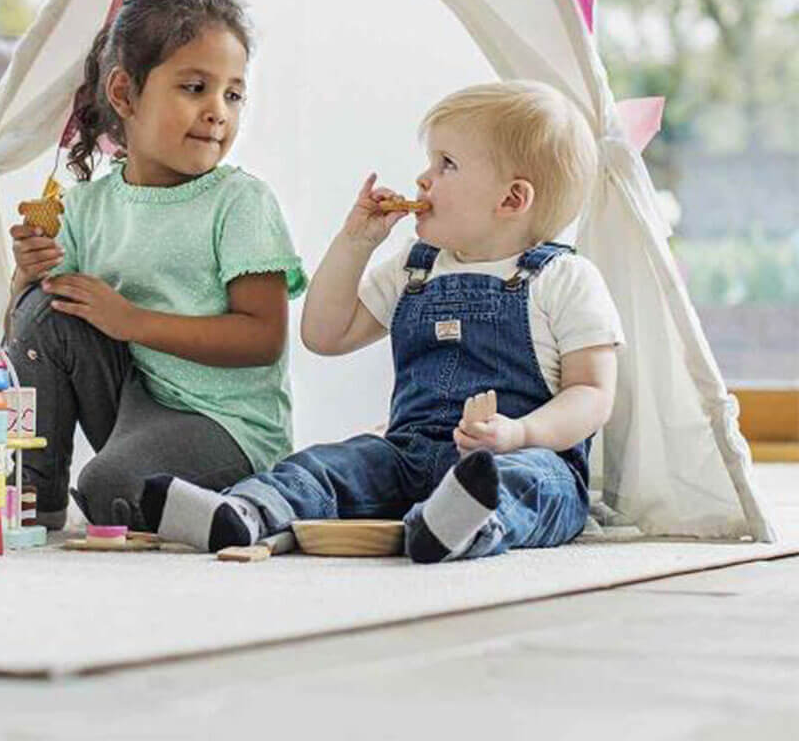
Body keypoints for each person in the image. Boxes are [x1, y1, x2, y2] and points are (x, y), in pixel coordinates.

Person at [141, 80, 624, 563]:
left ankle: (465, 524)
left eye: (446, 164)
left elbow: (591, 394)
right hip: (408, 453)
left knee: (536, 482)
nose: (423, 179)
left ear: (512, 200)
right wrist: (356, 242)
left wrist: (522, 435)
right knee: (333, 463)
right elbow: (325, 335)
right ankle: (246, 510)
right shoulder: (415, 268)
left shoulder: (564, 278)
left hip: (517, 454)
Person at [7, 0, 306, 530]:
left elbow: (263, 339)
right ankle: (33, 493)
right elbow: (31, 335)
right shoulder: (85, 208)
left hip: (224, 423)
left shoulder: (240, 202)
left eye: (233, 95)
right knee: (45, 309)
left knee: (109, 489)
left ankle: (254, 501)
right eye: (195, 87)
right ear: (124, 94)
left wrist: (132, 322)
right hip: (132, 405)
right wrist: (26, 275)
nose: (218, 112)